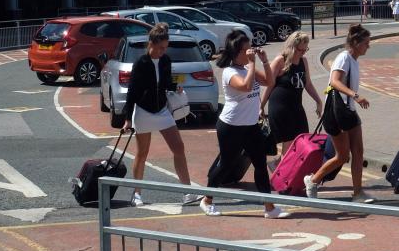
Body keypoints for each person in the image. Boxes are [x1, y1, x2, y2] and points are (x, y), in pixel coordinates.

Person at [200, 30, 285, 218]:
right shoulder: (229, 72)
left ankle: (269, 207)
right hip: (231, 126)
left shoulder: (249, 68)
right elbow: (246, 87)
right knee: (226, 164)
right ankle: (207, 200)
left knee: (260, 164)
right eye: (246, 50)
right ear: (236, 52)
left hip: (250, 125)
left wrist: (264, 61)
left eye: (251, 49)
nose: (250, 53)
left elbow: (270, 82)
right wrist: (254, 64)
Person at [122, 23, 199, 208]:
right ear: (152, 44)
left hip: (162, 110)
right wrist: (126, 119)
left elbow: (164, 82)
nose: (163, 51)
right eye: (161, 47)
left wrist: (175, 87)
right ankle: (137, 193)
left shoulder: (165, 60)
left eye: (165, 48)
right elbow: (132, 92)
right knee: (142, 154)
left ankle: (188, 192)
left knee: (178, 148)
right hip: (143, 112)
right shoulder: (140, 63)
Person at [305, 24, 373, 203]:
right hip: (336, 113)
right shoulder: (343, 57)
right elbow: (334, 82)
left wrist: (353, 100)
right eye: (366, 43)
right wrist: (355, 95)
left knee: (358, 152)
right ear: (356, 43)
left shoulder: (354, 60)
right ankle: (312, 180)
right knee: (342, 156)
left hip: (349, 111)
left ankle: (358, 193)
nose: (369, 46)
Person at [261, 31, 322, 165]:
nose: (303, 52)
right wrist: (261, 106)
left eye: (306, 49)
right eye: (301, 50)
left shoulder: (303, 61)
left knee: (301, 140)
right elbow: (269, 84)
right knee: (288, 145)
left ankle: (277, 166)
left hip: (296, 107)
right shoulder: (280, 61)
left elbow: (308, 84)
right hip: (280, 108)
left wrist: (318, 101)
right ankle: (283, 180)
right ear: (292, 47)